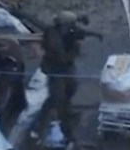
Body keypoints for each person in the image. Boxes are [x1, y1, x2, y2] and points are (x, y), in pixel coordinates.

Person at [33, 11, 102, 147]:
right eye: (70, 25)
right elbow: (61, 56)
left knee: (72, 87)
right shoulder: (53, 36)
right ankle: (58, 127)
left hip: (66, 67)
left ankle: (66, 109)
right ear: (63, 25)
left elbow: (79, 32)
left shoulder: (68, 30)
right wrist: (74, 53)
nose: (72, 27)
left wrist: (95, 34)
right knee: (56, 98)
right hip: (55, 70)